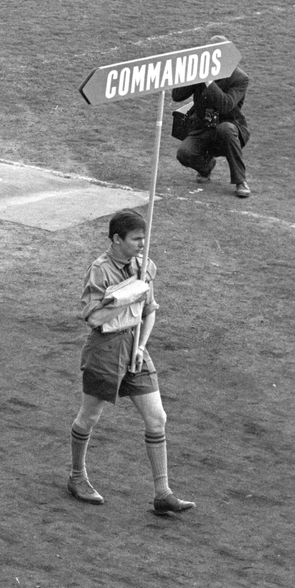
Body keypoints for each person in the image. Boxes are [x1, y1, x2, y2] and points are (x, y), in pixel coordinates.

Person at [66, 209, 194, 515]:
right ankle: (77, 477)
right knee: (90, 417)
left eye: (143, 237)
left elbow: (150, 310)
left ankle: (162, 492)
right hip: (106, 348)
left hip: (135, 346)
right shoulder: (99, 271)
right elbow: (93, 317)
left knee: (157, 418)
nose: (142, 243)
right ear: (117, 239)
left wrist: (141, 346)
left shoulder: (144, 265)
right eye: (136, 238)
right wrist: (125, 299)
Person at [170, 35, 251, 198]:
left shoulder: (239, 78)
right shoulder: (199, 71)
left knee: (226, 130)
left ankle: (240, 180)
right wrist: (189, 72)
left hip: (229, 127)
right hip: (202, 126)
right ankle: (206, 167)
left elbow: (225, 105)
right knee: (183, 154)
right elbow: (177, 96)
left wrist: (208, 81)